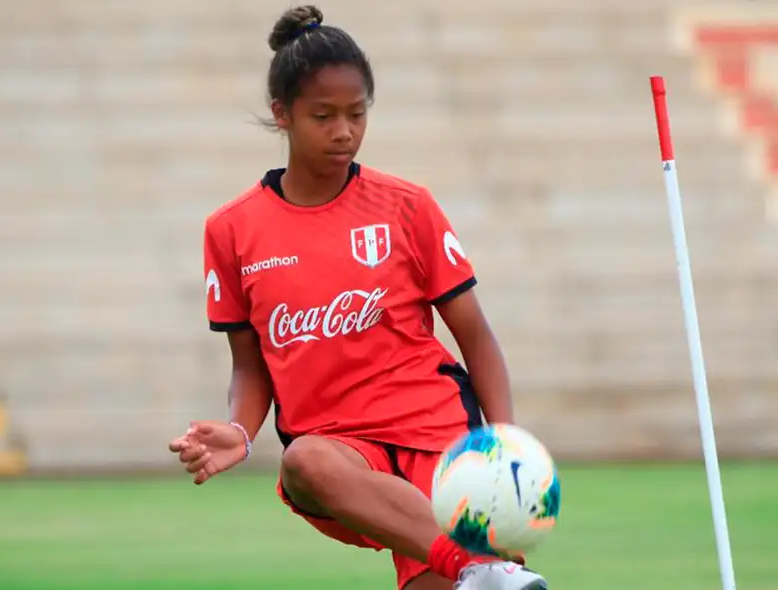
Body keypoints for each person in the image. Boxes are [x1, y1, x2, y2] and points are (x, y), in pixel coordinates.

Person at [168, 6, 548, 590]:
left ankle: (471, 566)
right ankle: (479, 564)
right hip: (340, 456)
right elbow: (251, 366)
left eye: (357, 114)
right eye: (323, 116)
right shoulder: (231, 231)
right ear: (282, 115)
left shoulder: (407, 206)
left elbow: (476, 336)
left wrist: (505, 445)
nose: (344, 130)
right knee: (302, 462)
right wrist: (240, 432)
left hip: (437, 434)